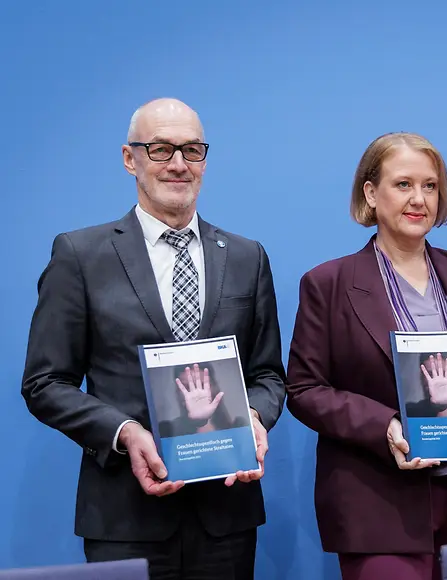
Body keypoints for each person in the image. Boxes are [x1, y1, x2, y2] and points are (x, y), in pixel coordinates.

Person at [20, 98, 286, 579]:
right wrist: (125, 433)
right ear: (130, 159)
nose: (179, 164)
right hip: (124, 514)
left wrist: (253, 416)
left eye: (192, 150)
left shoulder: (248, 257)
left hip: (226, 515)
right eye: (161, 149)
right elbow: (45, 383)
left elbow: (267, 374)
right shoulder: (80, 255)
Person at [284, 132, 447, 580]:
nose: (419, 199)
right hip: (378, 502)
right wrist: (386, 425)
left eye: (430, 186)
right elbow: (305, 389)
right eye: (403, 184)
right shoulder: (328, 283)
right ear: (371, 193)